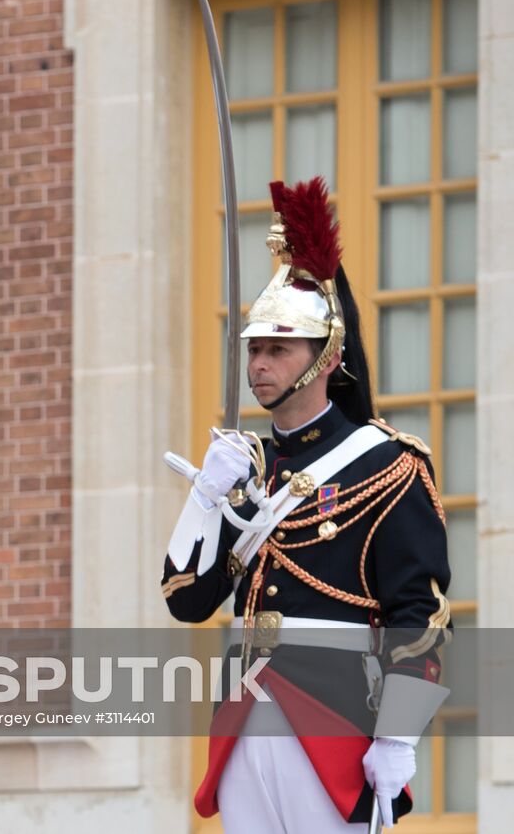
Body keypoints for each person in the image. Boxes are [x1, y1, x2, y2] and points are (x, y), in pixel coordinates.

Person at [162, 178, 452, 832]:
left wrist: (399, 736)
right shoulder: (247, 467)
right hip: (243, 714)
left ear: (326, 358)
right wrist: (206, 499)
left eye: (276, 349)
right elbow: (186, 597)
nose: (258, 365)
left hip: (337, 720)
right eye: (254, 350)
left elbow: (421, 609)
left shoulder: (388, 462)